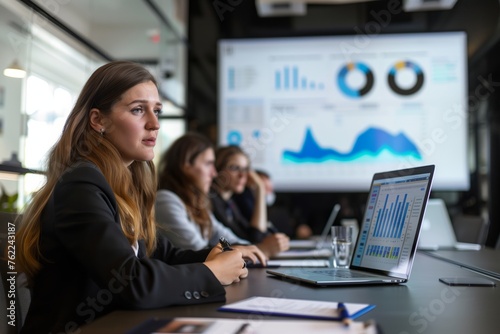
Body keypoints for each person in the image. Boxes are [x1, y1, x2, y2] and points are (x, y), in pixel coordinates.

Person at [15, 61, 250, 334]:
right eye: (138, 110)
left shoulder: (125, 183)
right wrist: (211, 273)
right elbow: (129, 282)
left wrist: (214, 256)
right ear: (98, 120)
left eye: (157, 111)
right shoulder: (81, 184)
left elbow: (161, 253)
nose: (154, 124)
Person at [155, 132, 267, 262]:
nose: (214, 173)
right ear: (186, 165)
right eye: (208, 164)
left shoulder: (197, 203)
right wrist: (241, 251)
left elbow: (222, 237)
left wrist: (247, 249)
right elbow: (198, 250)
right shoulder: (166, 200)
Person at [210, 145, 289, 257]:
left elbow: (257, 236)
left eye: (246, 169)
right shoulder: (212, 202)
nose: (242, 175)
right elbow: (255, 238)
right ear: (217, 170)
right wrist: (260, 189)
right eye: (234, 168)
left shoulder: (231, 202)